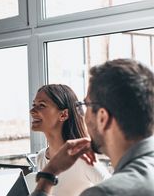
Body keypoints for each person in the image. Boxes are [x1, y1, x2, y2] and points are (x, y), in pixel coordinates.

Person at [31, 58, 154, 196]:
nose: (81, 114)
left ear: (102, 117)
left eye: (85, 106)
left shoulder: (104, 192)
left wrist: (49, 174)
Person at [30, 84, 110, 195]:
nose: (32, 111)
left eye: (41, 105)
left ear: (63, 115)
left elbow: (114, 190)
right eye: (34, 105)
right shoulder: (41, 157)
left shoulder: (81, 158)